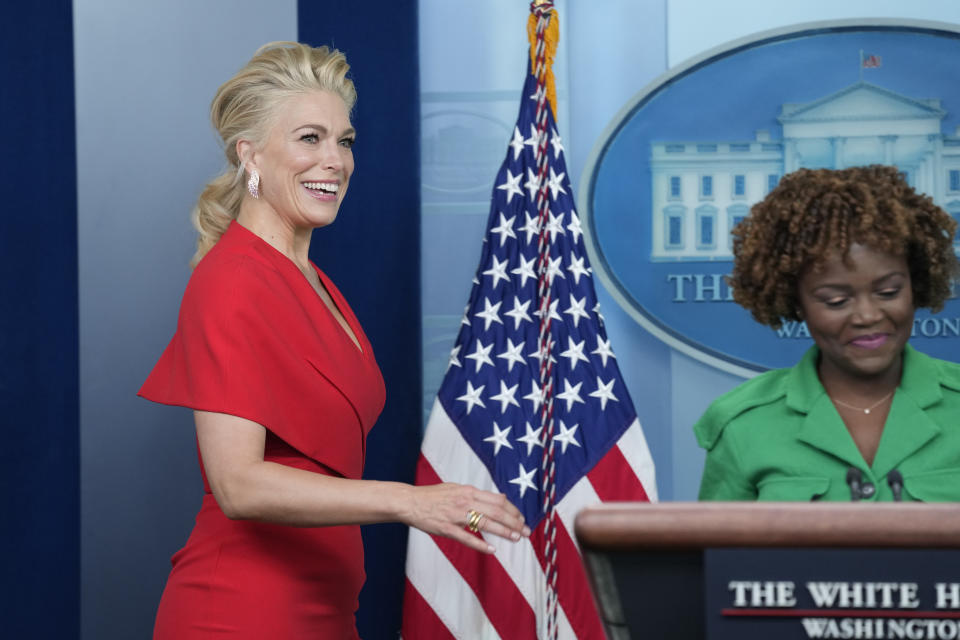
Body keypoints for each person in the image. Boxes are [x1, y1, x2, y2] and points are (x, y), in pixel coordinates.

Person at [139, 42, 529, 639]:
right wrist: (411, 502)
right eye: (309, 138)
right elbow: (238, 484)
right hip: (242, 612)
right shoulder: (232, 281)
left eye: (344, 141)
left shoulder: (313, 281)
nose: (335, 161)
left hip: (324, 610)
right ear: (252, 157)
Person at [695, 165, 960, 502]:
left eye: (889, 292)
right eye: (836, 301)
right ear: (797, 302)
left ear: (916, 283)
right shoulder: (741, 423)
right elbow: (720, 554)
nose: (868, 316)